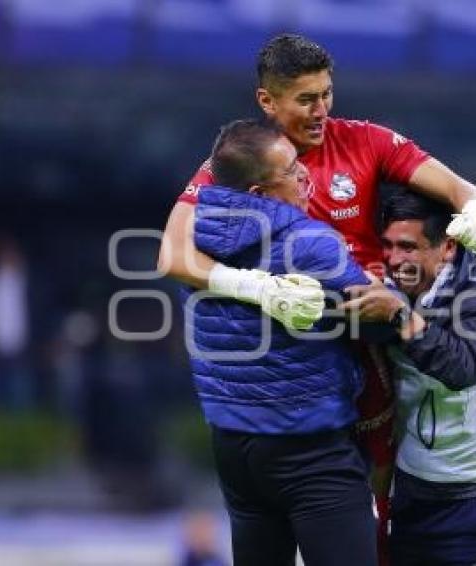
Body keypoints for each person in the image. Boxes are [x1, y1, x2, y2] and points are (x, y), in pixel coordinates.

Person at [158, 33, 476, 550]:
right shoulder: (237, 162)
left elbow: (460, 189)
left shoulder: (366, 141)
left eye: (327, 94)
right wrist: (261, 289)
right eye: (305, 99)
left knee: (385, 491)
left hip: (367, 345)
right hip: (289, 371)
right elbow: (172, 256)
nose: (321, 110)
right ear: (267, 101)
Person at [184, 118, 377, 566]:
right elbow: (374, 321)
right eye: (291, 170)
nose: (307, 174)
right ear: (259, 196)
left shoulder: (193, 245)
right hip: (310, 448)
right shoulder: (310, 242)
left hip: (234, 449)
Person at [343, 190, 476, 566]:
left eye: (408, 247)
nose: (395, 260)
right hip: (414, 492)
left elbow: (460, 368)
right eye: (388, 246)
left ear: (447, 248)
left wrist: (399, 317)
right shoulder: (395, 290)